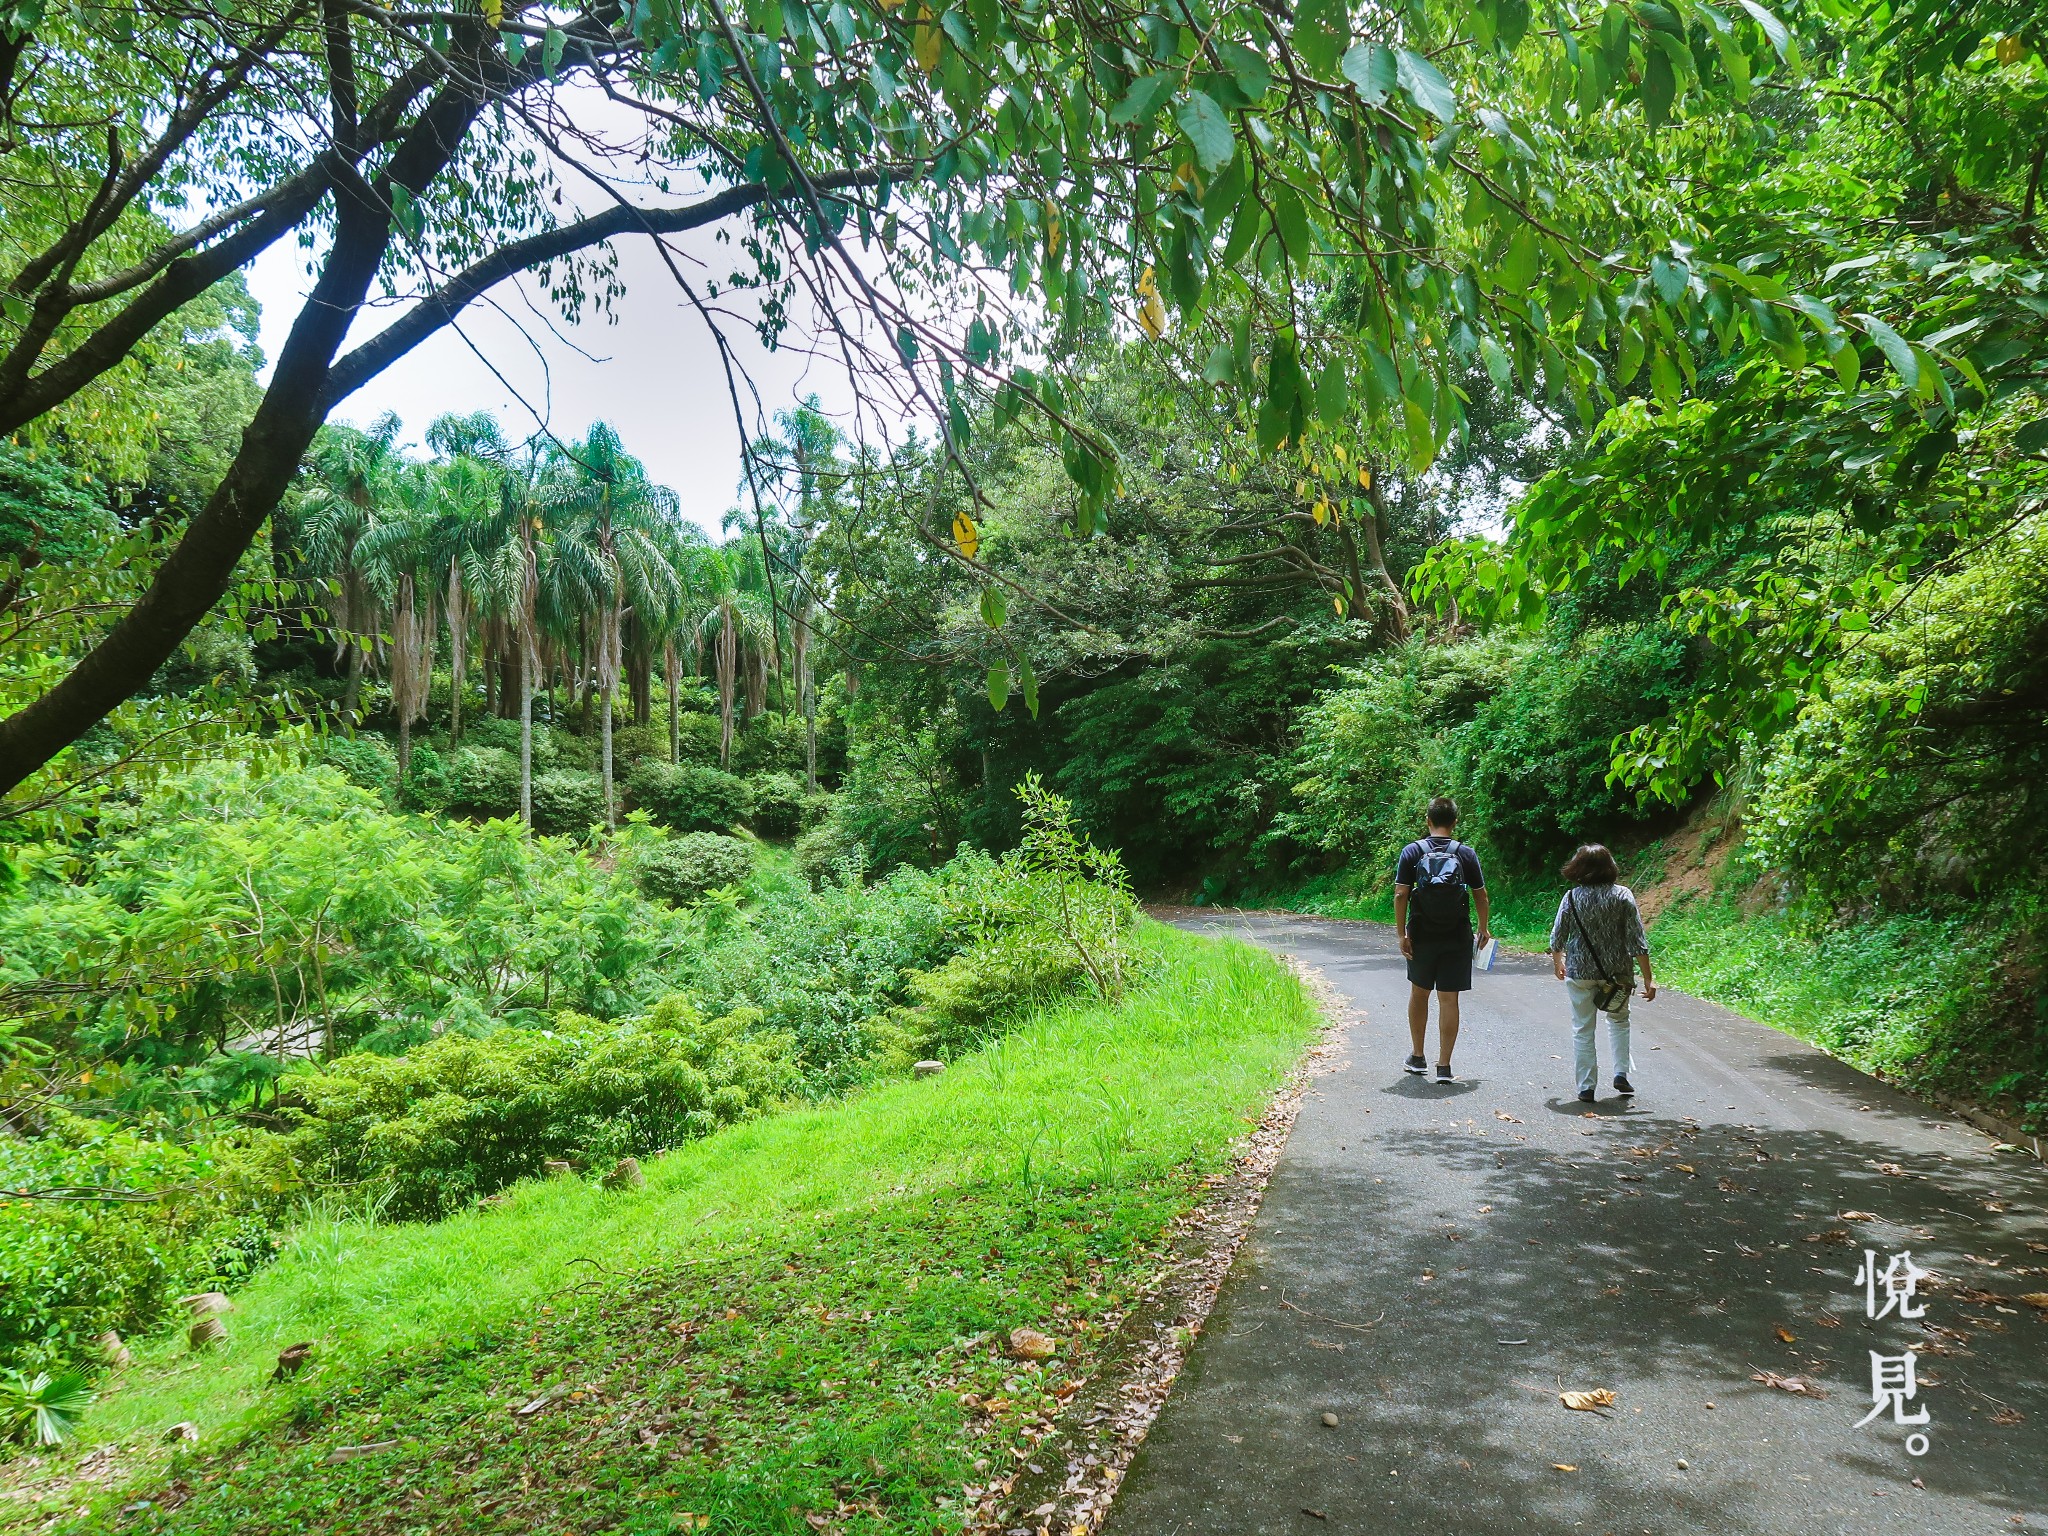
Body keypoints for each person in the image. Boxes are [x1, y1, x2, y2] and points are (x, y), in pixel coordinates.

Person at [1547, 843, 1656, 1104]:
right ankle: (1620, 1073)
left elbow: (1557, 937)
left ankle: (1586, 1088)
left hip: (1581, 972)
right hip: (1617, 975)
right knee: (1619, 1020)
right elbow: (1637, 941)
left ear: (1578, 868)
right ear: (1610, 867)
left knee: (1583, 1028)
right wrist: (1648, 978)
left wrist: (1557, 963)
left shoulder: (1572, 897)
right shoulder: (1623, 896)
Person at [1393, 796, 1491, 1084]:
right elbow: (1481, 895)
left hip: (1421, 934)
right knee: (1449, 999)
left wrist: (1402, 934)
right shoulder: (1465, 854)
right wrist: (1483, 928)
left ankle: (1418, 1056)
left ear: (1428, 820)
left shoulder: (1412, 851)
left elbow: (1401, 894)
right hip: (1457, 934)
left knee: (1419, 993)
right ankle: (1445, 1066)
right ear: (1455, 822)